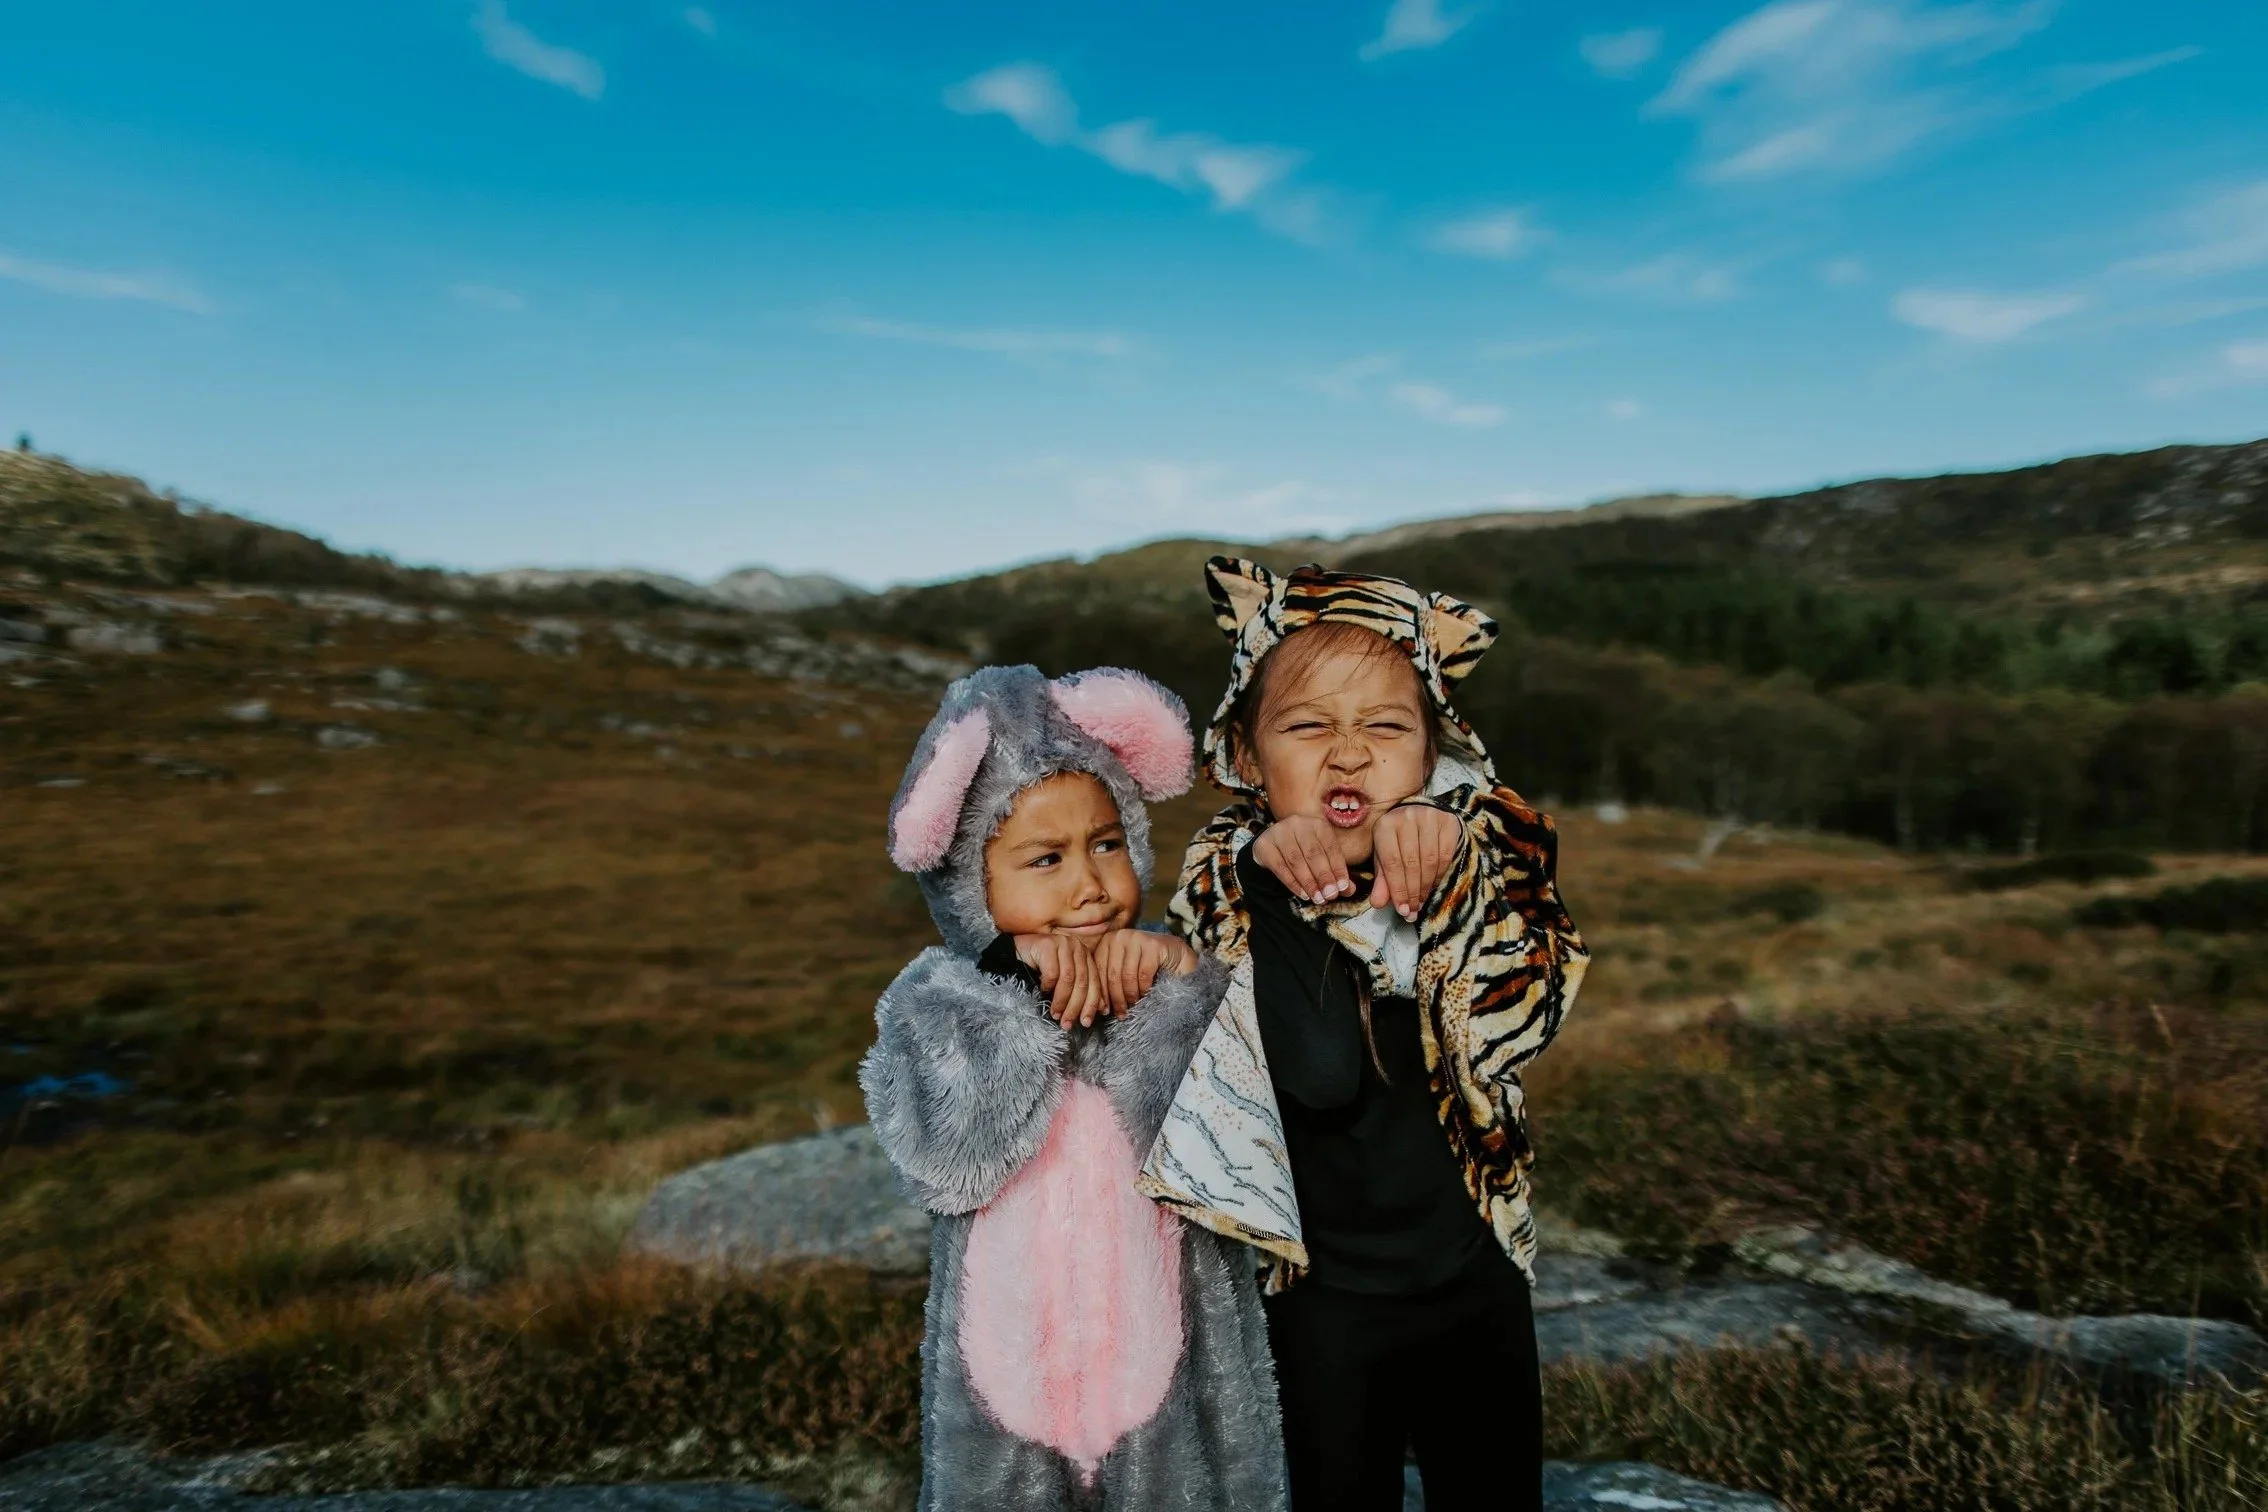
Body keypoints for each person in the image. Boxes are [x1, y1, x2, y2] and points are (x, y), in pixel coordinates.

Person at [1142, 559, 1589, 1512]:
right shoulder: (1221, 884)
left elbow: (1525, 1015)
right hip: (1319, 1303)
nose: (1349, 754)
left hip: (1475, 1274)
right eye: (1308, 726)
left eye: (1386, 728)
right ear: (1250, 759)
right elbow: (1315, 1074)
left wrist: (1456, 869)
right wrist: (1272, 887)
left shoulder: (1486, 858)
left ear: (1432, 756)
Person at [858, 663, 1289, 1512]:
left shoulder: (1186, 979)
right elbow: (949, 1165)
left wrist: (1180, 988)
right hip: (1007, 1392)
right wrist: (1009, 991)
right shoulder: (941, 998)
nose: (1089, 884)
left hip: (1173, 1373)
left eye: (1106, 843)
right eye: (1043, 859)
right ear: (967, 878)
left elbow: (1233, 1163)